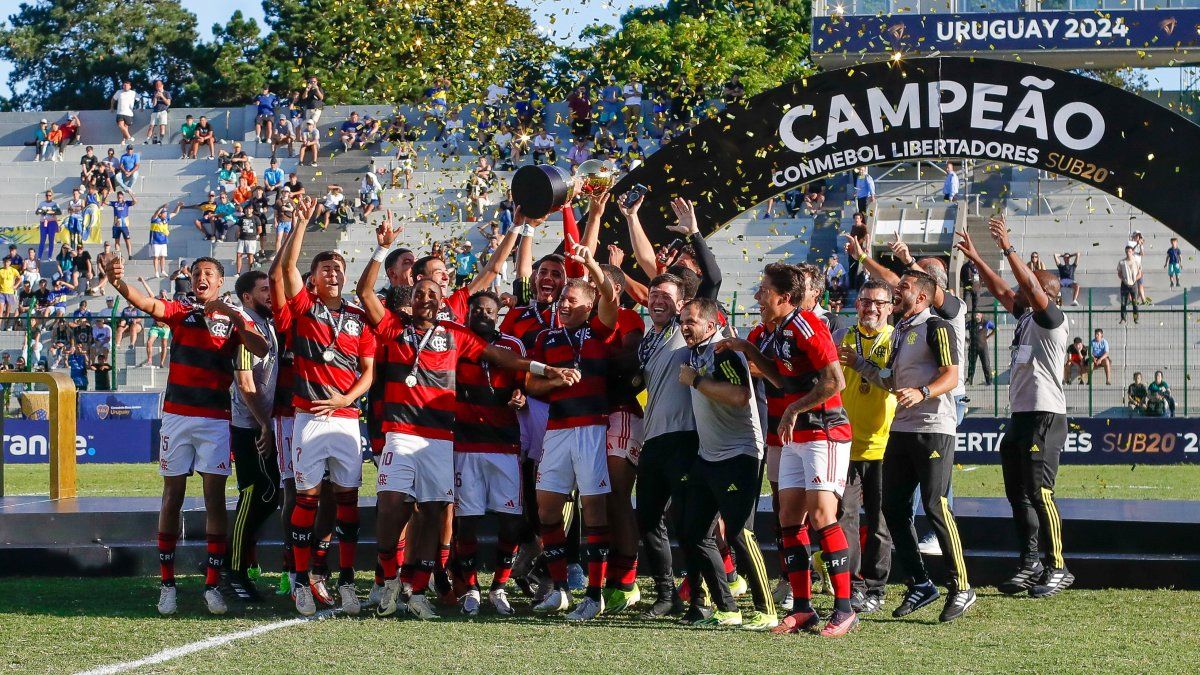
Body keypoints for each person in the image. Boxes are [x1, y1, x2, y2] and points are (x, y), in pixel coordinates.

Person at [356, 217, 571, 620]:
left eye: (432, 295)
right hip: (401, 433)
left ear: (442, 301)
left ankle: (417, 589)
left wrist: (543, 370)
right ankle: (387, 578)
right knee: (390, 507)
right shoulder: (391, 327)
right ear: (411, 293)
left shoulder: (456, 334)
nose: (425, 299)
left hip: (440, 438)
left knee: (435, 512)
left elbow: (504, 358)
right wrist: (381, 248)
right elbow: (365, 291)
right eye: (419, 292)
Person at [105, 253, 268, 617]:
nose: (201, 277)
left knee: (214, 500)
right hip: (177, 417)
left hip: (214, 420)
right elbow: (144, 301)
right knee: (171, 497)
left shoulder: (232, 319)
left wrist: (236, 317)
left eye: (208, 272)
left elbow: (262, 348)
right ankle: (167, 585)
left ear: (221, 281)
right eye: (196, 273)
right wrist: (117, 282)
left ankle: (211, 585)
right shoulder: (181, 311)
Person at [722, 263, 852, 636]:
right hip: (793, 436)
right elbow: (780, 378)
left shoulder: (808, 326)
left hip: (824, 431)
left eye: (764, 290)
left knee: (822, 515)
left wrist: (794, 408)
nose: (758, 296)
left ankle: (844, 609)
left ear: (784, 297)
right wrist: (746, 346)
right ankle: (803, 608)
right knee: (788, 519)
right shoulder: (775, 332)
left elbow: (835, 380)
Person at [840, 269, 974, 622]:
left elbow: (952, 375)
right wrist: (862, 365)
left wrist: (924, 391)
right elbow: (890, 380)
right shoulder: (901, 331)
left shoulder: (936, 327)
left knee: (935, 505)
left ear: (922, 298)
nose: (897, 290)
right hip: (901, 429)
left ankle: (961, 586)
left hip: (933, 428)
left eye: (904, 287)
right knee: (894, 508)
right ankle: (920, 583)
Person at [956, 218, 1074, 598]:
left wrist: (1008, 248)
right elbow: (1004, 289)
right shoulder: (1025, 317)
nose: (1023, 288)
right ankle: (1030, 562)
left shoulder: (1052, 320)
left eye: (1034, 284)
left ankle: (1058, 566)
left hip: (1045, 416)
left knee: (1041, 493)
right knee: (1018, 494)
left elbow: (1025, 285)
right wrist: (977, 258)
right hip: (1021, 417)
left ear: (1047, 293)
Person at [277, 197, 375, 617]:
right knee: (307, 500)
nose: (332, 273)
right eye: (324, 269)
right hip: (308, 419)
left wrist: (347, 399)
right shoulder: (304, 309)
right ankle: (301, 582)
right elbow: (284, 270)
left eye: (338, 268)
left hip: (347, 418)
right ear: (313, 279)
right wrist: (301, 225)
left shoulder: (359, 317)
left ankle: (347, 582)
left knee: (348, 504)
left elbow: (368, 370)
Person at [524, 244, 621, 622]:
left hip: (591, 430)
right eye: (562, 298)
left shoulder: (599, 330)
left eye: (571, 298)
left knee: (594, 511)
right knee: (547, 509)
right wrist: (554, 377)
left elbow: (611, 298)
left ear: (589, 305)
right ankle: (561, 588)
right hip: (557, 430)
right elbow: (531, 386)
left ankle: (594, 594)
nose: (563, 303)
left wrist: (593, 266)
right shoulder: (546, 339)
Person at [676, 297, 772, 629]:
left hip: (739, 454)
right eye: (682, 321)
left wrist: (697, 382)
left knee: (739, 534)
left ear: (711, 324)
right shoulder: (696, 352)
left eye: (691, 321)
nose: (685, 326)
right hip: (708, 456)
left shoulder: (723, 352)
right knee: (695, 533)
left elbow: (740, 395)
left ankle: (766, 609)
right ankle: (726, 608)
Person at [832, 279, 895, 615]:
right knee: (846, 518)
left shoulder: (896, 339)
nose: (871, 308)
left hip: (884, 446)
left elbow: (893, 381)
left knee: (882, 522)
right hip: (845, 445)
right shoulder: (842, 336)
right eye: (866, 301)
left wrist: (860, 365)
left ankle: (876, 588)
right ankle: (853, 586)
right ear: (857, 305)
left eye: (878, 303)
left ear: (890, 307)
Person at [225, 270, 282, 601]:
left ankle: (243, 561)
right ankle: (234, 571)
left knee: (269, 494)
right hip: (249, 425)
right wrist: (264, 424)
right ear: (247, 297)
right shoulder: (245, 327)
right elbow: (245, 383)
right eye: (264, 289)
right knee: (251, 494)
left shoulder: (266, 324)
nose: (270, 294)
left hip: (261, 423)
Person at [149, 202, 183, 278]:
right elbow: (156, 213)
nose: (166, 214)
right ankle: (156, 272)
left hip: (163, 241)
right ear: (160, 214)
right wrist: (162, 207)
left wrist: (178, 206)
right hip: (155, 241)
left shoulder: (166, 219)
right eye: (164, 213)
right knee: (156, 256)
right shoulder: (155, 219)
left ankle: (162, 270)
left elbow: (174, 213)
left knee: (163, 256)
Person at [966, 311, 994, 385]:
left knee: (986, 364)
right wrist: (966, 339)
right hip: (972, 347)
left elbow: (996, 329)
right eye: (975, 314)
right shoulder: (970, 323)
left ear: (981, 315)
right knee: (971, 365)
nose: (976, 315)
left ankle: (989, 381)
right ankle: (969, 381)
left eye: (978, 314)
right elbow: (961, 329)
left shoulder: (986, 323)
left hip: (983, 347)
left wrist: (988, 337)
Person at [109, 191, 136, 258]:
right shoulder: (114, 203)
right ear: (117, 196)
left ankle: (130, 254)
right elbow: (105, 202)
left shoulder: (126, 203)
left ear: (123, 196)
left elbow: (135, 201)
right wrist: (107, 194)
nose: (119, 197)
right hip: (116, 225)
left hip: (124, 225)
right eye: (118, 196)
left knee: (127, 239)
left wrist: (130, 194)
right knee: (117, 240)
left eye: (121, 196)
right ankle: (118, 256)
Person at [36, 190, 62, 261]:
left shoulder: (54, 203)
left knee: (51, 240)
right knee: (42, 240)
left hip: (52, 222)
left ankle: (49, 256)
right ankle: (39, 256)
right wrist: (42, 211)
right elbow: (37, 212)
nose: (48, 197)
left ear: (52, 196)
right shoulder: (42, 203)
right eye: (47, 195)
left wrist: (50, 212)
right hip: (43, 223)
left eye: (50, 195)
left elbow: (59, 212)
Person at [145, 80, 171, 145]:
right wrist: (155, 97)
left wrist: (162, 96)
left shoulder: (166, 93)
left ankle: (160, 140)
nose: (158, 86)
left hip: (163, 111)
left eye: (159, 85)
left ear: (162, 85)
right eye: (156, 85)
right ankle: (147, 140)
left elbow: (168, 103)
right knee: (151, 126)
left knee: (162, 126)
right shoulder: (154, 93)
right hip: (155, 111)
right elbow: (153, 104)